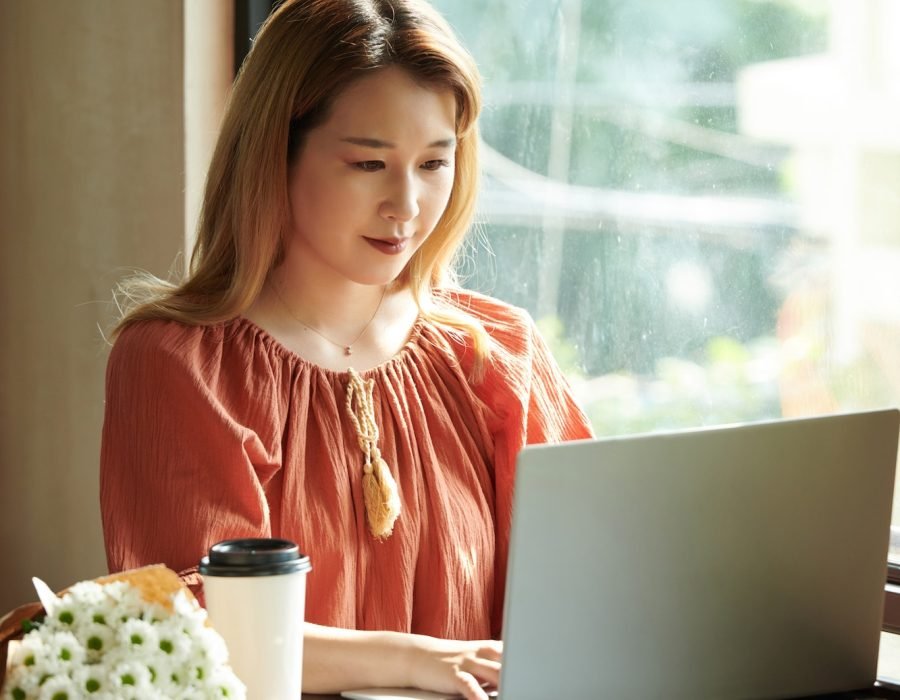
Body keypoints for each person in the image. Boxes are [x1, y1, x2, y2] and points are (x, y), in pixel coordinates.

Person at [99, 0, 593, 697]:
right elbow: (193, 629)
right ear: (276, 151)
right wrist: (418, 660)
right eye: (368, 163)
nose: (407, 204)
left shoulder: (497, 354)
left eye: (434, 162)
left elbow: (589, 588)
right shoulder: (183, 364)